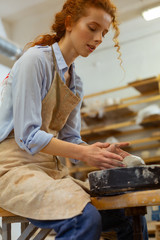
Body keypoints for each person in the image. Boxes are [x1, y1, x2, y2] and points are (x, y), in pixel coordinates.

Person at [0, 0, 148, 239]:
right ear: (69, 23)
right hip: (13, 170)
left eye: (104, 33)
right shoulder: (35, 61)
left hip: (51, 172)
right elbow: (27, 136)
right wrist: (84, 154)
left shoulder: (76, 83)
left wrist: (97, 152)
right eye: (92, 28)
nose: (99, 38)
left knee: (126, 210)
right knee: (83, 220)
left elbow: (70, 138)